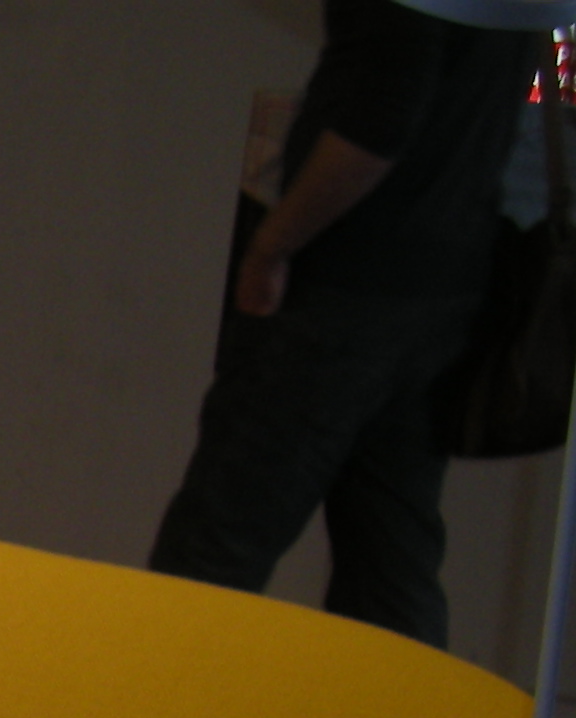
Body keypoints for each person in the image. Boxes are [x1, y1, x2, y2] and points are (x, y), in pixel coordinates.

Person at [147, 0, 555, 648]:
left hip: (343, 285)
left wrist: (274, 244)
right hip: (448, 285)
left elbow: (377, 123)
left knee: (214, 548)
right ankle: (397, 710)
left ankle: (158, 697)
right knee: (392, 562)